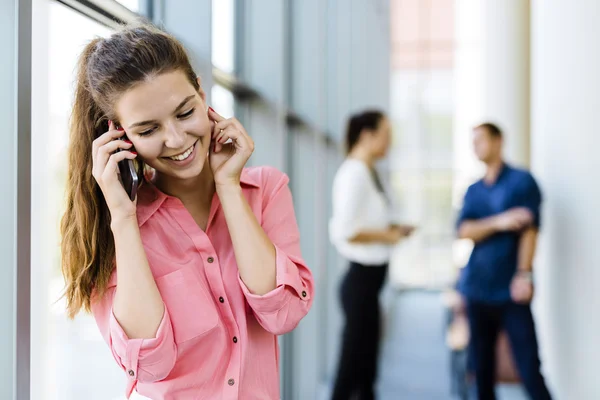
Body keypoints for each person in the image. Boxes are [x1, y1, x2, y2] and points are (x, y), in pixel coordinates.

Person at [59, 24, 314, 400]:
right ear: (120, 136)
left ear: (200, 90)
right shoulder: (114, 229)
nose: (176, 140)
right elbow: (150, 364)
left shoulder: (266, 191)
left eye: (185, 112)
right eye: (148, 130)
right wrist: (125, 219)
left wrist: (229, 187)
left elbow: (284, 313)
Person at [456, 123, 552, 400]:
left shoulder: (521, 182)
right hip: (477, 289)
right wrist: (501, 221)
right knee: (482, 372)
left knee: (529, 368)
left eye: (481, 140)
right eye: (472, 142)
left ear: (499, 141)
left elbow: (529, 231)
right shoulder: (474, 190)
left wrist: (524, 274)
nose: (476, 146)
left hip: (511, 290)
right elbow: (464, 231)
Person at [329, 110, 415, 400]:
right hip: (360, 282)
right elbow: (346, 230)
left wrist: (392, 228)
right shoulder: (353, 174)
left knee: (365, 369)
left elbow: (366, 222)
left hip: (371, 283)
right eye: (385, 134)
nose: (389, 141)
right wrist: (389, 235)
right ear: (366, 136)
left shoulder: (368, 172)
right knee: (351, 368)